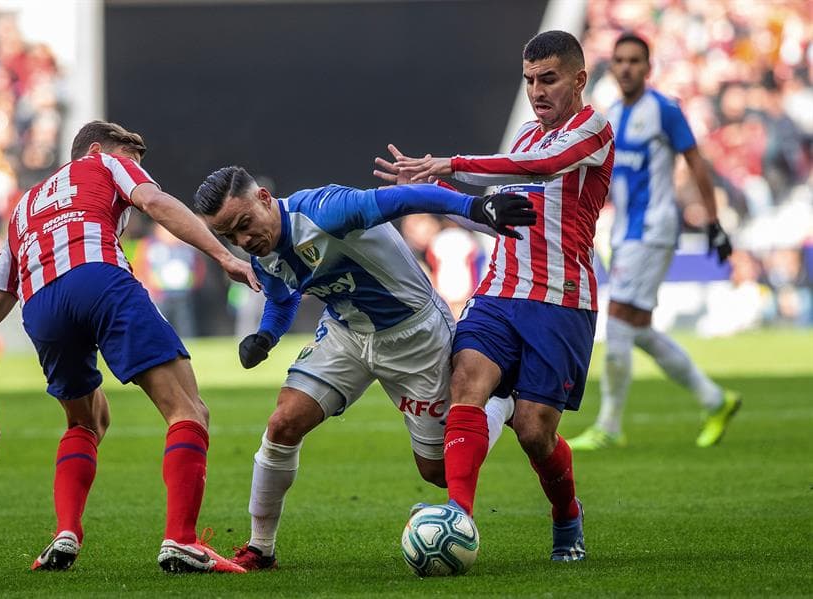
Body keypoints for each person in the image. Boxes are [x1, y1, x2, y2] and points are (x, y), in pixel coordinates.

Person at [193, 166, 537, 570]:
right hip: (346, 334)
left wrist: (475, 207)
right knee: (283, 424)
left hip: (414, 335)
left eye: (244, 225)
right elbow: (282, 298)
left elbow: (406, 199)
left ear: (265, 199)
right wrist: (266, 336)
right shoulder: (262, 249)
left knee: (438, 472)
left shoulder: (326, 211)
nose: (243, 240)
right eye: (229, 235)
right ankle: (260, 548)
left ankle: (500, 404)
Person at [0, 120, 258, 574]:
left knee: (88, 419)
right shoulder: (105, 163)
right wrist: (224, 256)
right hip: (99, 277)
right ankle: (181, 540)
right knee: (188, 409)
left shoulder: (23, 209)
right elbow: (156, 202)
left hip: (41, 305)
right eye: (133, 163)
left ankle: (66, 532)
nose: (136, 175)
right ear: (97, 149)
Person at [379, 30, 614, 562]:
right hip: (499, 291)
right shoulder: (526, 137)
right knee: (466, 382)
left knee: (535, 431)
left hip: (560, 299)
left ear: (578, 79)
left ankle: (566, 515)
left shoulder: (592, 130)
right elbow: (500, 204)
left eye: (548, 78)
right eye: (529, 80)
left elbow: (545, 169)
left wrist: (449, 163)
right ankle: (458, 513)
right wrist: (427, 189)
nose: (536, 90)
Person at [568, 33, 740, 452]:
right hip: (626, 232)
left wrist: (713, 222)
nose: (626, 67)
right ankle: (714, 399)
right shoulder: (617, 115)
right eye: (620, 60)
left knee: (619, 319)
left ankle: (609, 424)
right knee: (637, 329)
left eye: (634, 61)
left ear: (648, 67)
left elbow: (695, 161)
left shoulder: (663, 110)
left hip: (654, 230)